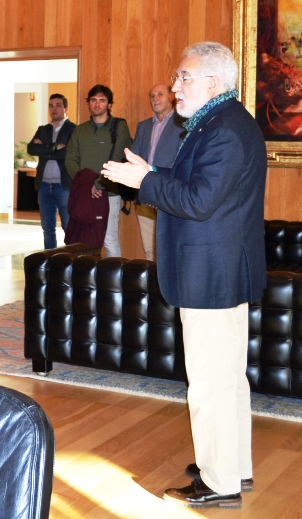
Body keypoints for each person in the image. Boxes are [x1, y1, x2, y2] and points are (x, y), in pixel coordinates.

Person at [102, 42, 265, 509]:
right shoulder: (222, 122)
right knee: (229, 378)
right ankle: (233, 467)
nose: (174, 88)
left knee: (212, 381)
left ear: (212, 82)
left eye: (183, 78)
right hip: (221, 270)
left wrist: (144, 183)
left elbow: (197, 200)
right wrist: (153, 169)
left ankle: (218, 482)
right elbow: (197, 179)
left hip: (211, 273)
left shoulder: (225, 129)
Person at [65, 84, 132, 257]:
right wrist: (87, 186)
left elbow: (118, 158)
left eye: (102, 100)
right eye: (93, 100)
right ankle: (87, 282)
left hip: (109, 193)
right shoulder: (80, 130)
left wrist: (97, 184)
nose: (97, 104)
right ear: (89, 103)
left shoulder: (119, 127)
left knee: (109, 239)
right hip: (85, 194)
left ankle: (113, 283)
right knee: (83, 240)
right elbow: (71, 160)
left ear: (109, 104)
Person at [129, 83, 183, 261]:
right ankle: (152, 287)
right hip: (144, 192)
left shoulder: (183, 124)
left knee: (167, 248)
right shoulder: (143, 126)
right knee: (149, 248)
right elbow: (134, 157)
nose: (155, 99)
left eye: (160, 94)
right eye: (152, 96)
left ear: (171, 98)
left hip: (167, 192)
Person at [28, 93, 75, 250]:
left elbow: (67, 153)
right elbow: (31, 148)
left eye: (58, 105)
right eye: (51, 105)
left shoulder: (73, 129)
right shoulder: (43, 129)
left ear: (66, 108)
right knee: (47, 229)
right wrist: (55, 146)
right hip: (43, 185)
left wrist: (44, 149)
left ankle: (70, 262)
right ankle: (50, 262)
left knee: (69, 228)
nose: (54, 109)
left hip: (64, 186)